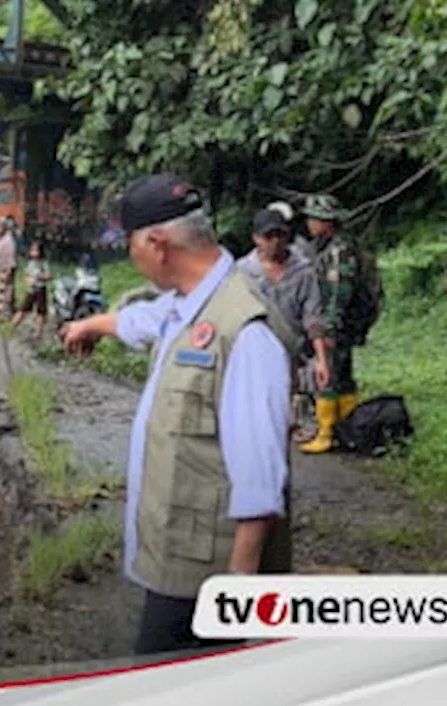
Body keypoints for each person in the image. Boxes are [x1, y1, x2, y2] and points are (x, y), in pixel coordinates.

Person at [59, 174, 296, 656]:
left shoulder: (244, 331)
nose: (131, 256)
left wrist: (238, 589)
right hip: (178, 554)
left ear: (157, 243)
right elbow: (141, 321)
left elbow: (260, 478)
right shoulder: (190, 301)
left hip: (207, 575)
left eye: (130, 246)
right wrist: (90, 325)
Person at [237, 208, 331, 439]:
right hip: (256, 347)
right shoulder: (242, 272)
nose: (276, 242)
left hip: (294, 346)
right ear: (256, 239)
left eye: (280, 235)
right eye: (269, 237)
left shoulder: (304, 271)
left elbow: (314, 315)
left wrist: (321, 359)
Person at [297, 194, 362, 455]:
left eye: (315, 219)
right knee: (343, 378)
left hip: (335, 324)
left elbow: (338, 293)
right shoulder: (335, 246)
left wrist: (329, 329)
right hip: (344, 324)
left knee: (328, 377)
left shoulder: (337, 251)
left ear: (328, 222)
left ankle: (327, 434)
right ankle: (348, 430)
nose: (311, 224)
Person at [11, 242, 51, 340]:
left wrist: (39, 276)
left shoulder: (43, 263)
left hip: (40, 289)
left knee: (41, 312)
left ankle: (38, 332)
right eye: (32, 250)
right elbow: (27, 274)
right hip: (31, 290)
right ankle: (12, 325)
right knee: (24, 308)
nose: (33, 252)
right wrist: (27, 280)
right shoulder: (31, 263)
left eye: (35, 250)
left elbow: (49, 276)